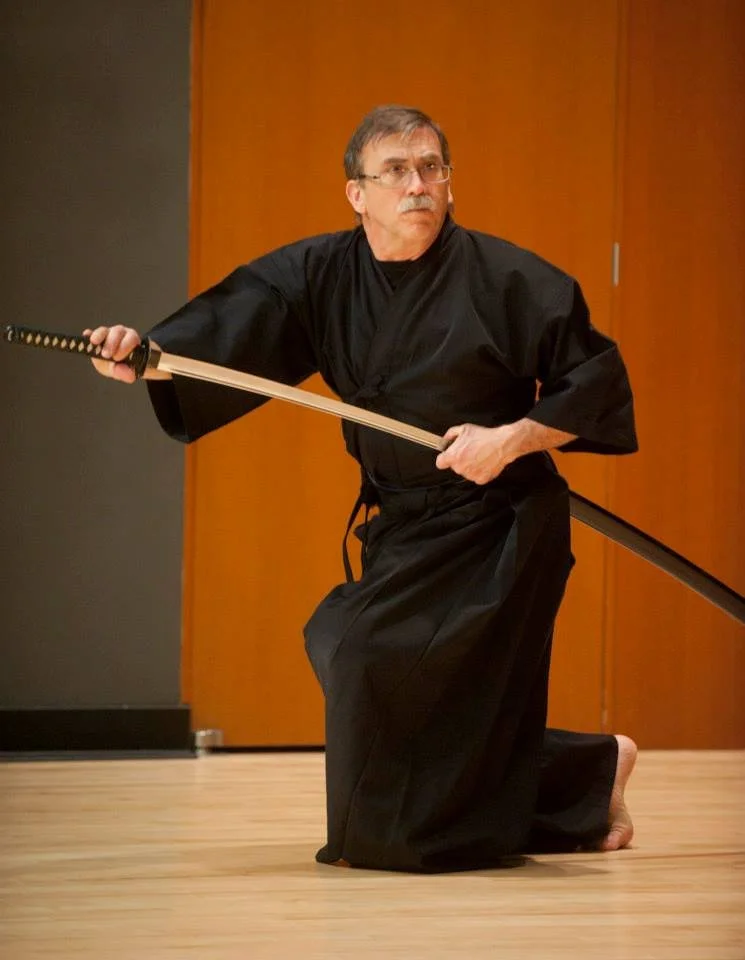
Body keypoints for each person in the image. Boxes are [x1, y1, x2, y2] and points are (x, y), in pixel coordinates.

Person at [88, 105, 639, 873]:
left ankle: (533, 797)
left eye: (431, 167)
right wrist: (141, 356)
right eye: (396, 170)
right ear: (356, 193)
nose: (418, 184)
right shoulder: (317, 276)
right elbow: (217, 339)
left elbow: (595, 382)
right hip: (406, 521)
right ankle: (584, 773)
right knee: (355, 654)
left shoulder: (510, 278)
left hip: (498, 524)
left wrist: (512, 437)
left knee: (365, 654)